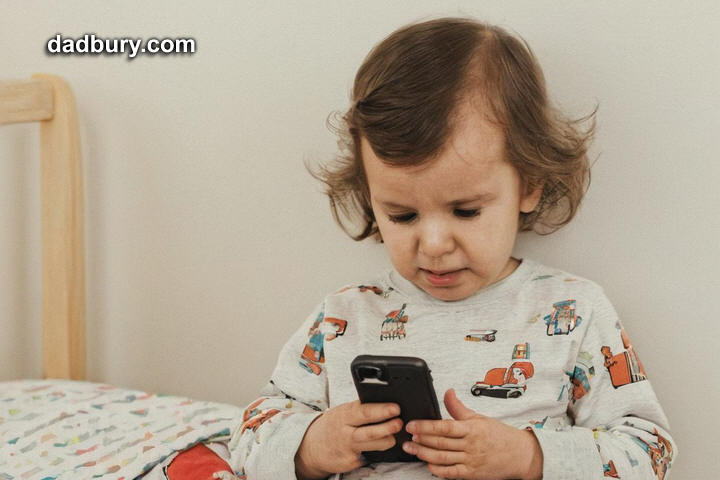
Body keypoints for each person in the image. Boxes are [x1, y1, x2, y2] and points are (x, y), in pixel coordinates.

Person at [227, 17, 676, 480]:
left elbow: (649, 451)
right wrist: (312, 445)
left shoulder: (572, 310)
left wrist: (528, 456)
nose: (435, 245)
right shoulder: (345, 316)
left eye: (466, 211)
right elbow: (247, 436)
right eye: (403, 215)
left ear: (529, 184)